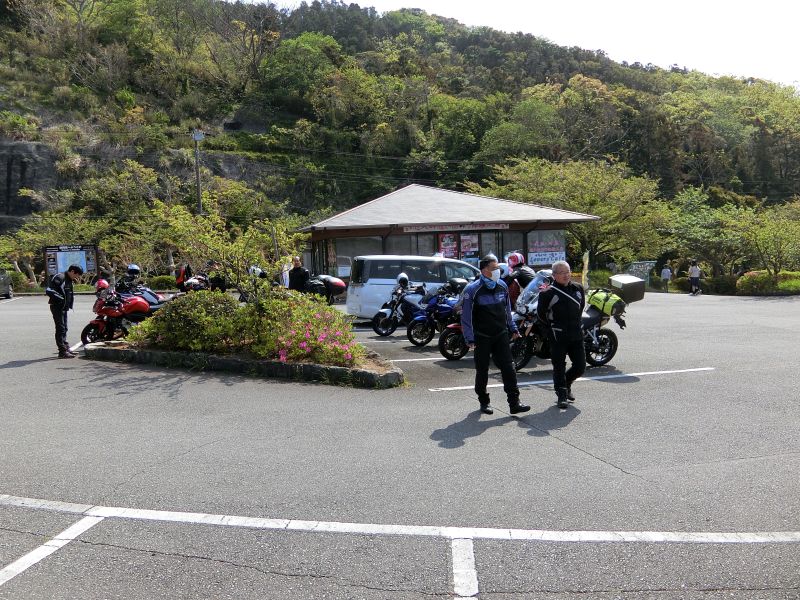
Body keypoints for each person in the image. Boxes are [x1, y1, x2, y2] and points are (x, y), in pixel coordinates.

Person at [461, 254, 530, 416]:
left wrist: (513, 328)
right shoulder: (472, 290)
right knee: (482, 370)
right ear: (484, 270)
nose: (497, 271)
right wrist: (469, 338)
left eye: (498, 268)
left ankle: (514, 403)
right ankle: (484, 401)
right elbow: (466, 317)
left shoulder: (502, 286)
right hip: (482, 336)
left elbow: (507, 310)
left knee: (509, 368)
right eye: (494, 268)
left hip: (500, 334)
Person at [536, 260, 585, 409]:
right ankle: (562, 395)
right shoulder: (547, 292)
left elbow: (580, 308)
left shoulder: (578, 288)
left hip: (576, 333)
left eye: (567, 272)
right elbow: (541, 314)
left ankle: (567, 383)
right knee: (559, 366)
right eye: (561, 273)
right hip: (558, 335)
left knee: (580, 366)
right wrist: (550, 330)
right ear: (554, 275)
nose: (565, 275)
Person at [45, 264, 83, 358]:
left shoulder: (69, 279)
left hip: (64, 308)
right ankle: (62, 351)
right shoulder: (60, 277)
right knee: (60, 328)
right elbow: (49, 290)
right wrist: (61, 299)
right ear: (72, 271)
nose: (77, 277)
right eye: (77, 275)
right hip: (57, 307)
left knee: (64, 328)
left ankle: (65, 348)